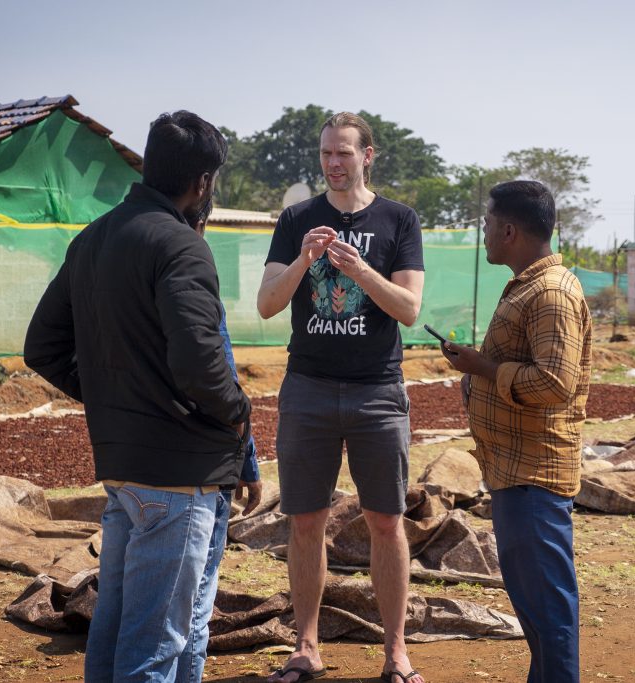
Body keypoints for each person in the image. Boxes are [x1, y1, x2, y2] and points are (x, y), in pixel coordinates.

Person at [24, 111, 252, 683]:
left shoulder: (94, 238)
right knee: (157, 643)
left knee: (127, 626)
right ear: (203, 183)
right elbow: (202, 363)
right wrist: (239, 417)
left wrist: (113, 396)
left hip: (125, 473)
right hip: (179, 475)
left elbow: (42, 348)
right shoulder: (180, 246)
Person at [256, 112, 426, 683]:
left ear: (368, 155)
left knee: (385, 520)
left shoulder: (398, 219)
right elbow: (266, 305)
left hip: (377, 389)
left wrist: (361, 271)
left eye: (345, 153)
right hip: (307, 388)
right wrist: (304, 259)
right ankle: (306, 647)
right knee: (305, 521)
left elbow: (408, 309)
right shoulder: (297, 220)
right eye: (327, 153)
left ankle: (396, 652)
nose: (334, 162)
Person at [440, 180, 590, 683]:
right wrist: (476, 372)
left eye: (486, 224)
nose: (482, 233)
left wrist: (483, 370)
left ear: (508, 230)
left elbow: (554, 382)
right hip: (514, 471)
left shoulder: (549, 292)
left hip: (534, 474)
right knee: (535, 607)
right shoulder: (530, 284)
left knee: (548, 610)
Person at [176, 201, 264, 683]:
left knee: (134, 608)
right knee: (191, 602)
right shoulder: (191, 277)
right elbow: (222, 378)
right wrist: (247, 464)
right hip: (198, 470)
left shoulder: (112, 261)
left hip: (128, 465)